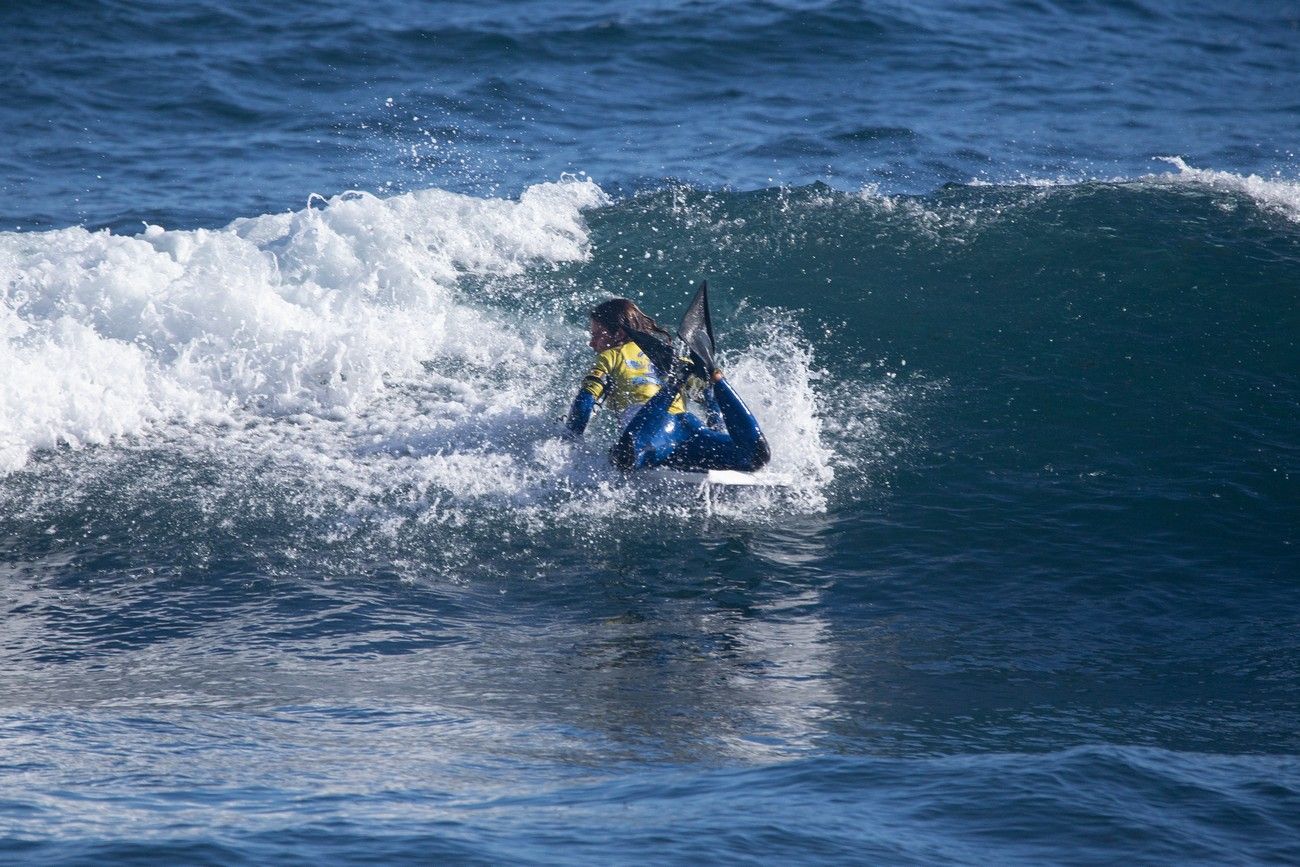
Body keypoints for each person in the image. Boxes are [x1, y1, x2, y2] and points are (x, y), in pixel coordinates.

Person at [565, 297, 771, 472]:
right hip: (689, 427)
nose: (592, 343)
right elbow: (710, 400)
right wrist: (716, 429)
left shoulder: (610, 356)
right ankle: (718, 378)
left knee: (624, 458)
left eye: (596, 335)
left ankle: (673, 385)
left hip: (654, 432)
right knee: (755, 456)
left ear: (618, 334)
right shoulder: (671, 357)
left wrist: (571, 444)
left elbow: (585, 402)